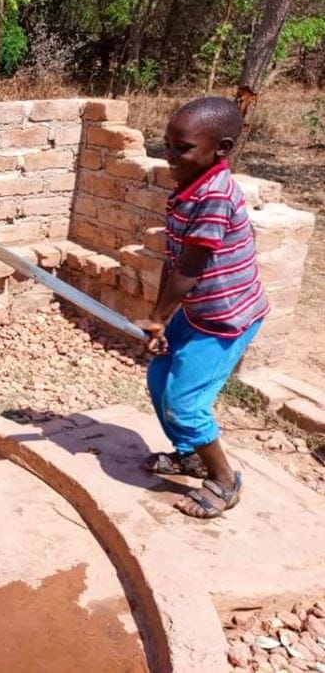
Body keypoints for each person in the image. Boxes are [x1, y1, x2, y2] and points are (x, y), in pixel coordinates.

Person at [136, 96, 269, 520]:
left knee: (184, 402)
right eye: (168, 144)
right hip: (197, 310)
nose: (170, 155)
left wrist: (158, 317)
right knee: (159, 378)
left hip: (226, 319)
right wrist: (160, 320)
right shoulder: (188, 187)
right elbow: (174, 259)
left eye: (183, 148)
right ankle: (189, 454)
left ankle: (225, 481)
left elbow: (190, 266)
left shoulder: (215, 195)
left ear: (221, 149)